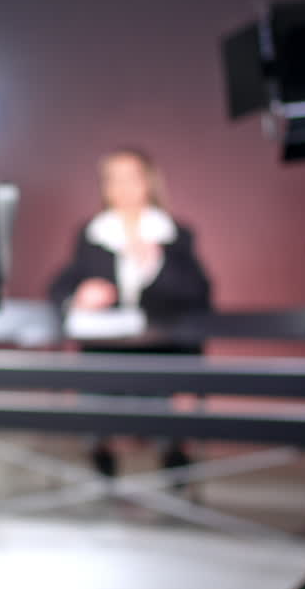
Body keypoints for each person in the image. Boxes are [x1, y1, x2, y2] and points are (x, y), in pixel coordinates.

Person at [49, 149, 212, 478]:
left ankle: (172, 461)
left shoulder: (175, 234)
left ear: (148, 182)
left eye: (130, 178)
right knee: (94, 400)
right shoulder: (93, 234)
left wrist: (156, 264)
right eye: (113, 179)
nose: (122, 187)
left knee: (163, 411)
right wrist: (79, 296)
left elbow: (199, 294)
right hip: (105, 353)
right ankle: (103, 462)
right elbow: (60, 286)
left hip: (162, 352)